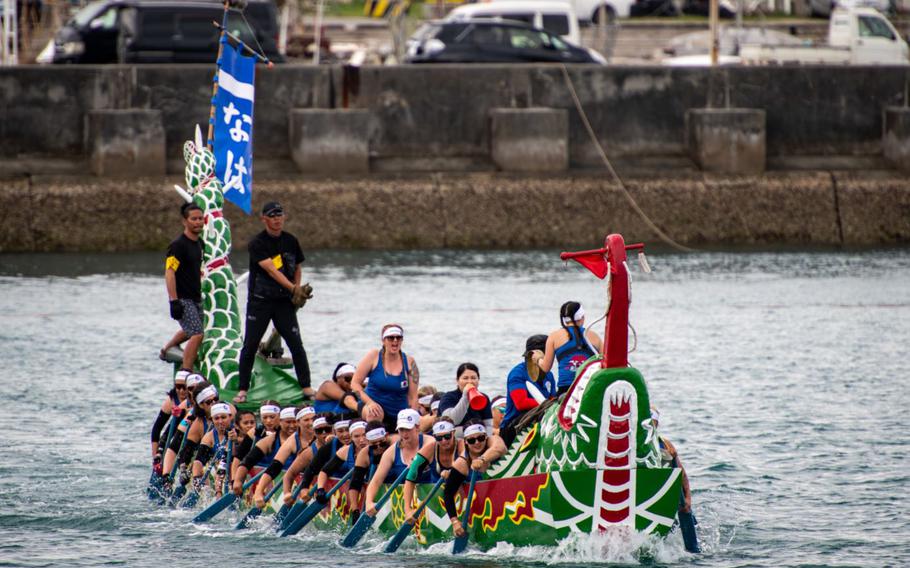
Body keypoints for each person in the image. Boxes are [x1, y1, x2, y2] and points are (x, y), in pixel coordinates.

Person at [235, 201, 314, 404]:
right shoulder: (258, 243)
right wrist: (294, 289)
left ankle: (306, 387)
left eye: (280, 215)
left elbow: (297, 266)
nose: (277, 218)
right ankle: (242, 390)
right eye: (272, 215)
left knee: (296, 344)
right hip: (260, 302)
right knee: (250, 345)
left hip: (283, 303)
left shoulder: (291, 240)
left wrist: (297, 291)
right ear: (264, 219)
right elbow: (271, 270)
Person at [442, 419, 506, 537]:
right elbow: (448, 493)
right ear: (466, 442)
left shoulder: (493, 440)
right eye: (472, 440)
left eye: (480, 438)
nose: (477, 443)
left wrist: (482, 459)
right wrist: (455, 522)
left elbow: (499, 448)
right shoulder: (462, 463)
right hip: (483, 513)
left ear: (486, 437)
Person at [364, 409, 433, 517]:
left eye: (408, 429)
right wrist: (369, 502)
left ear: (417, 427)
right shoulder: (391, 452)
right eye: (401, 429)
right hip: (406, 506)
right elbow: (376, 481)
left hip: (432, 499)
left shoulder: (430, 442)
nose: (404, 434)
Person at [161, 202, 204, 370]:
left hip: (196, 297)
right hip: (183, 299)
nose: (198, 222)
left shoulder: (200, 244)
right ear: (184, 221)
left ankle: (166, 349)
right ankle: (187, 373)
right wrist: (174, 301)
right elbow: (169, 272)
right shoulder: (178, 245)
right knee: (197, 334)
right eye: (194, 219)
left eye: (200, 218)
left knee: (191, 330)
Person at [351, 324, 420, 431]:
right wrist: (369, 402)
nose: (395, 341)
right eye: (391, 337)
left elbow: (413, 397)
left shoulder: (410, 362)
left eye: (398, 337)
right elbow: (355, 383)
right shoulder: (373, 356)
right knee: (375, 413)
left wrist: (413, 420)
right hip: (373, 406)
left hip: (399, 413)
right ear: (383, 340)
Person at [401, 418, 464, 523]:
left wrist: (453, 473)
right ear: (434, 437)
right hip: (437, 502)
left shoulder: (462, 446)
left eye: (447, 436)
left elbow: (464, 463)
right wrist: (407, 510)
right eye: (439, 438)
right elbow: (410, 478)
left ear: (453, 433)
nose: (444, 441)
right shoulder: (429, 449)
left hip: (464, 497)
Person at [499, 335, 557, 446]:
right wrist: (547, 404)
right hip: (513, 427)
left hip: (540, 419)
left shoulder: (549, 375)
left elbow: (553, 399)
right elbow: (521, 403)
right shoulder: (517, 373)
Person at [536, 301, 603, 395]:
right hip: (590, 387)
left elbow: (546, 368)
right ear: (582, 317)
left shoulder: (554, 337)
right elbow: (605, 364)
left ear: (564, 320)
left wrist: (538, 358)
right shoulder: (594, 336)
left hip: (566, 390)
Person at [438, 363, 493, 436]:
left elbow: (488, 425)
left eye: (473, 378)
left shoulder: (483, 397)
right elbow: (452, 421)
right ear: (457, 380)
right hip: (451, 439)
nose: (470, 381)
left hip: (478, 440)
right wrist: (466, 397)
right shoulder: (448, 397)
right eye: (465, 378)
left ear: (478, 380)